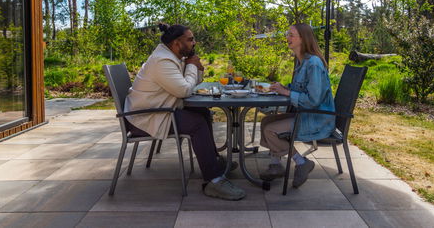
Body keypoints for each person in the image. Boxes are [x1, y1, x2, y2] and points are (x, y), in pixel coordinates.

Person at [124, 23, 245, 201]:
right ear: (176, 43)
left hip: (158, 110)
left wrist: (195, 67)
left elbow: (193, 85)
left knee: (202, 111)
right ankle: (213, 180)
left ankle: (213, 161)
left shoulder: (172, 57)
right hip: (144, 118)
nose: (194, 42)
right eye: (190, 39)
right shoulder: (162, 61)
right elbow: (184, 91)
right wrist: (191, 67)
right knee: (196, 124)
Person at [259, 23, 335, 188]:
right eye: (288, 34)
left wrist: (286, 93)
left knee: (270, 130)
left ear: (303, 39)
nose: (287, 37)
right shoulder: (302, 62)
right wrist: (284, 88)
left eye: (291, 35)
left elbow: (313, 100)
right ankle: (275, 165)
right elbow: (301, 89)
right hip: (306, 114)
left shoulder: (313, 63)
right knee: (266, 122)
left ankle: (301, 163)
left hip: (316, 119)